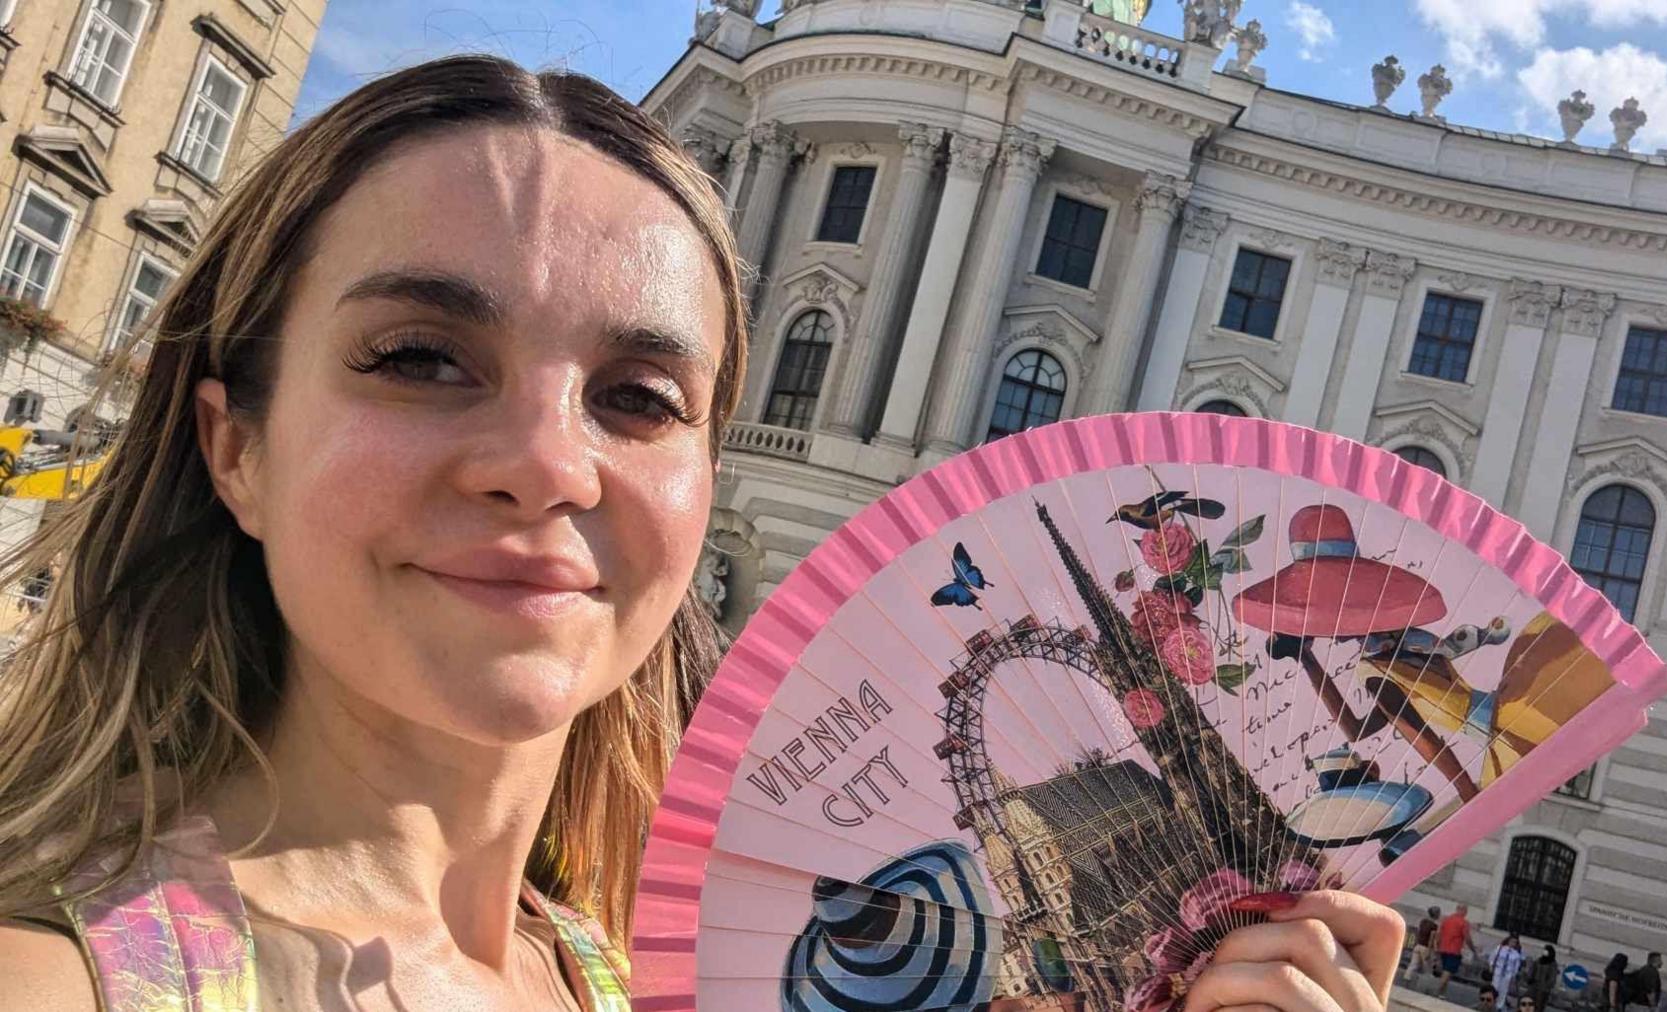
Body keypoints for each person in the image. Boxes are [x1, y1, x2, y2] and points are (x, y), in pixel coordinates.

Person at [0, 54, 1407, 1012]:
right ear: (230, 444)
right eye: (422, 357)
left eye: (638, 396)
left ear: (701, 484)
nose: (549, 464)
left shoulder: (635, 976)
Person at [1439, 903, 1481, 995]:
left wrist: (1438, 945)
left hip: (1443, 948)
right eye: (1465, 911)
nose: (1466, 913)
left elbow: (1440, 933)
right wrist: (1473, 950)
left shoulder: (1447, 919)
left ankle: (1442, 994)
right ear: (1463, 911)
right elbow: (1467, 938)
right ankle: (1437, 991)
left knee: (1446, 971)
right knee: (1447, 972)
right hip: (1454, 950)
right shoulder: (1463, 922)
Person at [1406, 905, 1441, 985]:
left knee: (1413, 964)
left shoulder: (1423, 921)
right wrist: (1429, 950)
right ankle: (1425, 984)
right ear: (1436, 915)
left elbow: (1419, 932)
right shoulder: (1434, 926)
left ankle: (1407, 978)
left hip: (1418, 945)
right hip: (1425, 947)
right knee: (1428, 968)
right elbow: (1431, 938)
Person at [1491, 934, 1526, 1010]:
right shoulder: (1500, 948)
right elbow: (1493, 957)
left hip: (1507, 974)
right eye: (1511, 941)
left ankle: (1499, 1006)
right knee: (1494, 987)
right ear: (1508, 941)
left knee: (1503, 990)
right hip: (1498, 970)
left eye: (1514, 942)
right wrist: (1491, 966)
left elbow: (1516, 966)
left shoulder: (1516, 954)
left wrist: (1513, 975)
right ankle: (1491, 1002)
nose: (1512, 943)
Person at [1524, 944, 1562, 1010]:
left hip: (1543, 988)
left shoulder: (1552, 964)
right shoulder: (1539, 960)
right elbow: (1532, 969)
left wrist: (1547, 985)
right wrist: (1529, 979)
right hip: (1534, 985)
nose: (1545, 952)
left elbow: (1552, 977)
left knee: (1539, 1005)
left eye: (1546, 951)